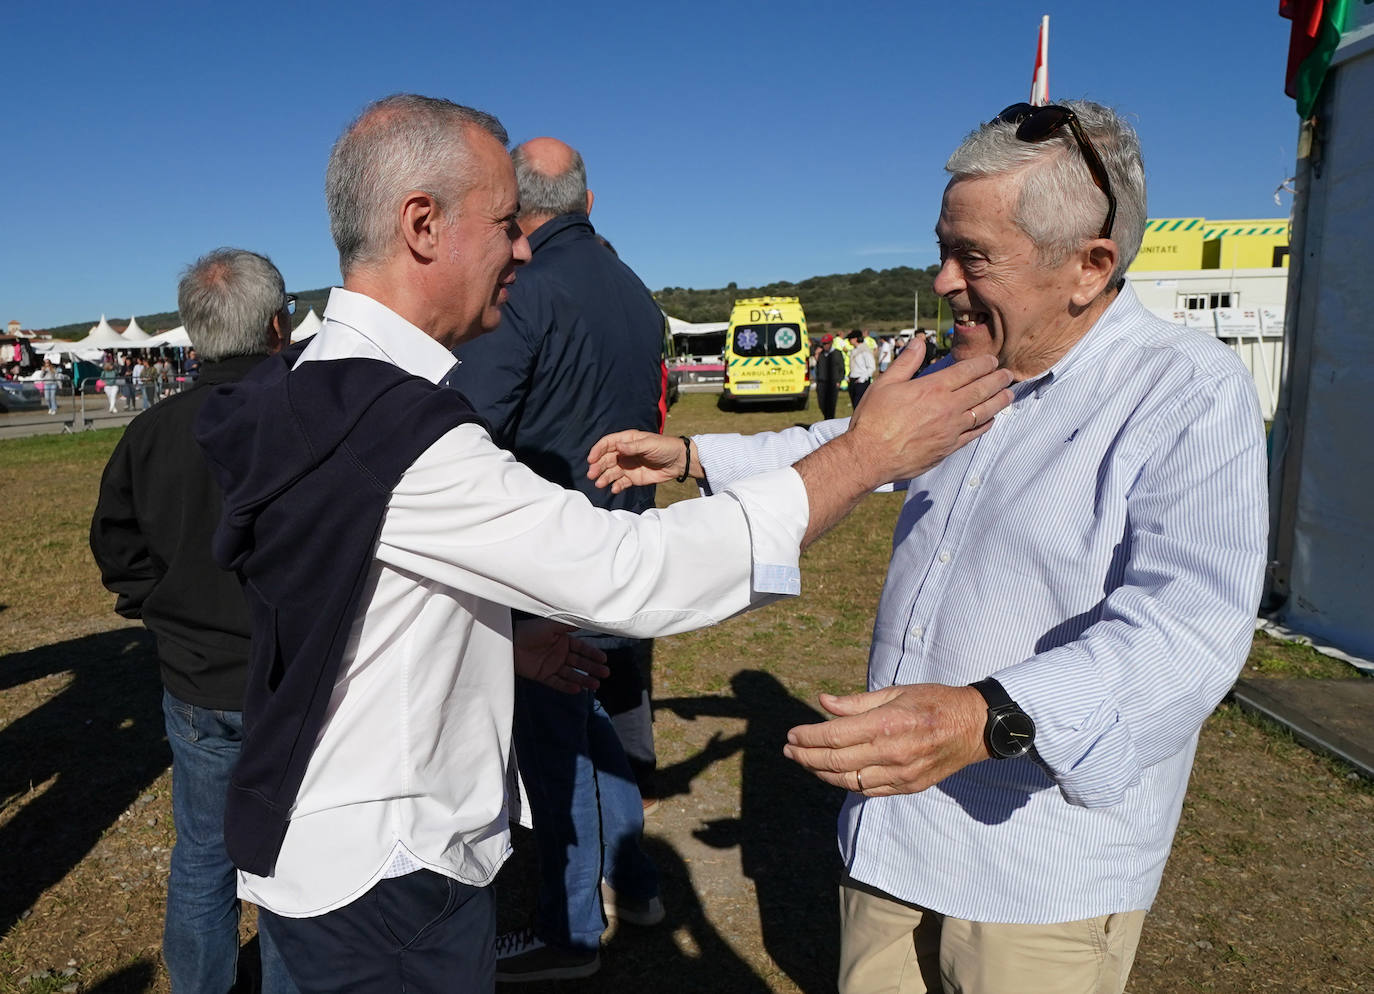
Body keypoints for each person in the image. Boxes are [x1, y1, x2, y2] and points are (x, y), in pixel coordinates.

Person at [191, 94, 1012, 994]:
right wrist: (862, 457)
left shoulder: (317, 381)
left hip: (335, 847)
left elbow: (349, 589)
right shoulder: (394, 431)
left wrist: (500, 637)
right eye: (506, 224)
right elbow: (633, 574)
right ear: (422, 224)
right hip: (390, 873)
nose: (521, 249)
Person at [586, 100, 1268, 994]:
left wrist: (985, 717)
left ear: (1090, 266)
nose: (943, 279)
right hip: (895, 834)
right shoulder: (967, 371)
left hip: (1036, 870)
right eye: (944, 246)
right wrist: (693, 454)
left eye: (973, 256)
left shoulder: (1185, 392)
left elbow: (1187, 631)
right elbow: (849, 446)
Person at [446, 136, 667, 981]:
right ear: (588, 199)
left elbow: (463, 421)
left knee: (556, 749)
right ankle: (637, 882)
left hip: (549, 565)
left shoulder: (529, 290)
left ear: (518, 202)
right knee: (602, 726)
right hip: (627, 549)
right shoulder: (633, 289)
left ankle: (569, 931)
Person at [90, 248, 299, 994]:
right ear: (281, 327)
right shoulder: (312, 425)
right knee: (290, 858)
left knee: (205, 854)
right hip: (288, 683)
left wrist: (161, 610)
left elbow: (117, 548)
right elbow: (118, 547)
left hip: (202, 682)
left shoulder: (153, 432)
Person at [813, 333, 845, 420]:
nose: (825, 346)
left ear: (831, 343)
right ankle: (827, 417)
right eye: (823, 344)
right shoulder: (821, 354)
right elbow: (818, 366)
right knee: (821, 403)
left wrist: (839, 380)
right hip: (821, 382)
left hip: (832, 382)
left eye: (827, 343)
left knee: (831, 404)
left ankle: (829, 420)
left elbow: (841, 368)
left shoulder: (837, 353)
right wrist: (817, 354)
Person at [846, 330, 876, 409]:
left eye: (850, 339)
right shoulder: (854, 350)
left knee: (859, 406)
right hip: (853, 379)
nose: (849, 341)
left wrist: (862, 379)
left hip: (861, 381)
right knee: (855, 406)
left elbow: (871, 367)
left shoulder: (865, 350)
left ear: (856, 339)